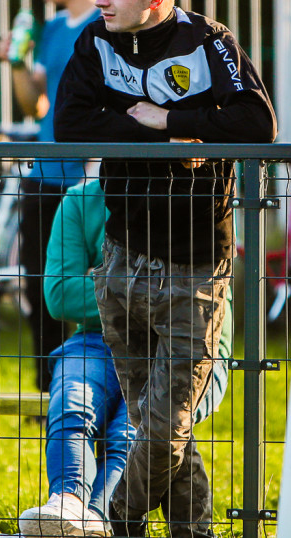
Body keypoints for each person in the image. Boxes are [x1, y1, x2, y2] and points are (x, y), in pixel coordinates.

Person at [54, 0, 277, 537]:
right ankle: (193, 531)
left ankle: (115, 520)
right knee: (157, 421)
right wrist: (159, 135)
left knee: (164, 420)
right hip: (121, 257)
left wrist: (169, 118)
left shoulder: (209, 42)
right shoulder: (94, 41)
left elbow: (257, 124)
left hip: (196, 265)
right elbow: (70, 125)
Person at [17, 179, 234, 537]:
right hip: (94, 340)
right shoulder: (80, 202)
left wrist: (110, 283)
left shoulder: (196, 198)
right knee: (73, 402)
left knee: (135, 428)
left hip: (190, 348)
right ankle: (67, 501)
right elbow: (59, 296)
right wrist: (161, 289)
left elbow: (208, 299)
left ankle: (100, 516)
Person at [0, 0, 102, 394]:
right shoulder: (54, 28)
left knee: (93, 293)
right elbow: (32, 104)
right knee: (42, 291)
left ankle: (96, 388)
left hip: (90, 183)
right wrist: (17, 64)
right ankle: (47, 393)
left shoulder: (106, 26)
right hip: (43, 179)